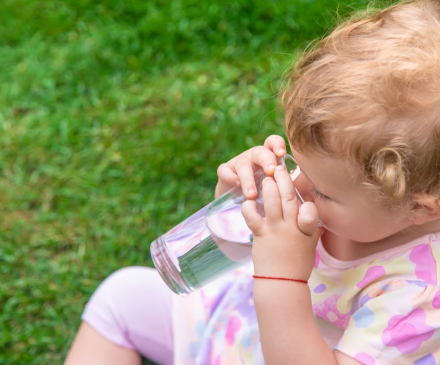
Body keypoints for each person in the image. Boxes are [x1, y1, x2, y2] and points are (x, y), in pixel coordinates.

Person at [64, 0, 440, 363]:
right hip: (231, 328)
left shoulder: (419, 295)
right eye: (300, 167)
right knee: (123, 294)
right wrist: (237, 201)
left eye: (322, 190)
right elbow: (238, 247)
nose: (298, 188)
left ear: (418, 207)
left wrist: (281, 278)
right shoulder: (358, 202)